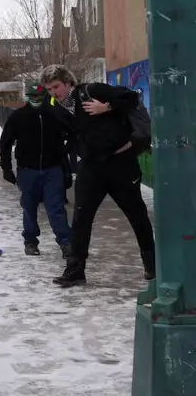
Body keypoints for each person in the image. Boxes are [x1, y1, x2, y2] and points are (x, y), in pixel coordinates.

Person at [42, 64, 155, 287]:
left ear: (68, 82)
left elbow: (131, 97)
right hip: (92, 167)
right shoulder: (58, 108)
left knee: (137, 214)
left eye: (56, 86)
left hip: (121, 163)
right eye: (49, 89)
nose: (54, 92)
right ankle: (76, 269)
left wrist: (107, 107)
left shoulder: (92, 91)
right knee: (81, 217)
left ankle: (152, 265)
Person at [0, 82, 73, 257]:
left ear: (45, 96)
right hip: (27, 170)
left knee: (56, 207)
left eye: (39, 96)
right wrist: (6, 167)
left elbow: (73, 133)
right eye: (33, 97)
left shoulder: (55, 115)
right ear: (28, 97)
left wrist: (64, 150)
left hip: (52, 169)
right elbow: (5, 143)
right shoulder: (18, 117)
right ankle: (30, 241)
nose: (36, 100)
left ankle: (66, 242)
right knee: (29, 206)